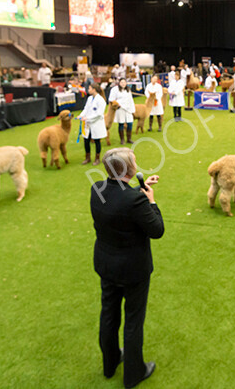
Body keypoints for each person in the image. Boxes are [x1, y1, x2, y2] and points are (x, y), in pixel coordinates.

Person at [90, 147, 162, 389]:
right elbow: (157, 230)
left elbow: (117, 200)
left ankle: (110, 364)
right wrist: (150, 201)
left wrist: (137, 193)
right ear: (130, 170)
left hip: (107, 264)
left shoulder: (97, 189)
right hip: (133, 270)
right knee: (133, 320)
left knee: (108, 313)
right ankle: (133, 373)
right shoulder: (136, 200)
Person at [79, 83, 107, 165]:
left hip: (96, 123)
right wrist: (81, 115)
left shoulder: (101, 100)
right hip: (88, 124)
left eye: (89, 88)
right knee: (86, 141)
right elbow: (86, 109)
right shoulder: (90, 98)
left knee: (97, 141)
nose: (88, 90)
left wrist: (87, 118)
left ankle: (97, 158)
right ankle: (87, 157)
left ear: (94, 89)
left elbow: (99, 114)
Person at [109, 78, 136, 144]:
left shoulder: (128, 90)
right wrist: (117, 105)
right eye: (122, 82)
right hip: (120, 109)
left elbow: (131, 100)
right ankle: (122, 140)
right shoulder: (115, 90)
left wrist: (132, 109)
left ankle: (129, 139)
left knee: (130, 123)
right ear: (119, 83)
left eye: (124, 82)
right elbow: (111, 99)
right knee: (121, 123)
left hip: (128, 109)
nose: (123, 84)